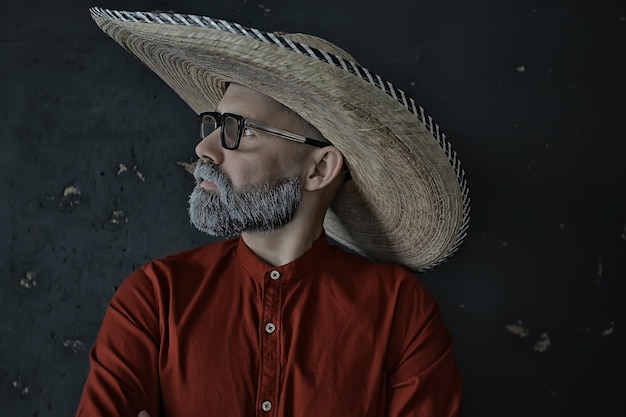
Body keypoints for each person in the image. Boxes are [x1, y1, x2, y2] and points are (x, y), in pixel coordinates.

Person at [77, 7, 470, 417]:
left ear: (320, 168)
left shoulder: (400, 311)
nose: (205, 150)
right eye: (214, 124)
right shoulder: (155, 297)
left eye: (240, 130)